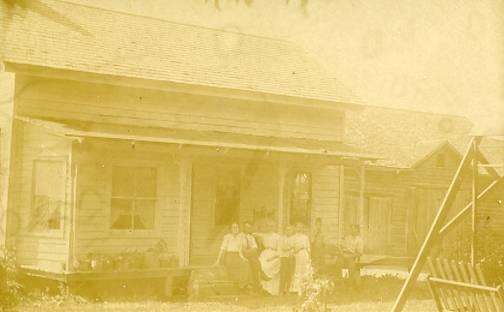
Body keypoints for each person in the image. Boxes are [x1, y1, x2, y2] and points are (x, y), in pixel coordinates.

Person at [214, 222, 252, 292]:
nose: (235, 229)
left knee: (246, 264)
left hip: (237, 255)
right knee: (234, 266)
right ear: (231, 229)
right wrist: (218, 261)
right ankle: (240, 284)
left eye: (237, 227)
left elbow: (240, 250)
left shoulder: (240, 237)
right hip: (229, 256)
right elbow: (222, 249)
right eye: (233, 227)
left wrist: (243, 258)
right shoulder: (227, 237)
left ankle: (244, 284)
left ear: (238, 229)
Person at [242, 220, 269, 292]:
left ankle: (257, 285)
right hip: (243, 253)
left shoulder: (251, 237)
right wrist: (252, 250)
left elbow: (255, 247)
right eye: (246, 227)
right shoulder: (241, 235)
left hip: (251, 254)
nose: (248, 229)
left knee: (254, 263)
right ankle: (262, 274)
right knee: (255, 259)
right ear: (244, 228)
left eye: (249, 228)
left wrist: (253, 250)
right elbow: (243, 248)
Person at [257, 220, 281, 295]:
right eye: (268, 226)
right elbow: (255, 234)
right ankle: (262, 288)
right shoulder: (264, 235)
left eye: (271, 226)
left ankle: (270, 289)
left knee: (269, 266)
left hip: (274, 254)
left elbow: (280, 250)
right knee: (260, 266)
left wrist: (272, 257)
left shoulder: (278, 236)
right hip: (265, 253)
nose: (269, 227)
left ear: (274, 227)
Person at [290, 222, 312, 294]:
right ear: (295, 228)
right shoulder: (293, 237)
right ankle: (296, 288)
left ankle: (305, 288)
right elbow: (291, 247)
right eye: (298, 227)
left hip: (304, 254)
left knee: (305, 270)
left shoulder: (305, 237)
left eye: (301, 227)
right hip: (297, 254)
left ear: (302, 228)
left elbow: (308, 248)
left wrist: (309, 257)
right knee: (297, 270)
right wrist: (294, 252)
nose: (299, 228)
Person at [279, 224, 296, 296]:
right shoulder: (282, 238)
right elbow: (283, 247)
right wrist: (290, 247)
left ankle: (287, 290)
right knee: (283, 273)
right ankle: (281, 291)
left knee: (289, 274)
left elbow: (296, 247)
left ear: (292, 231)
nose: (288, 231)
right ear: (285, 231)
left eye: (290, 230)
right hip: (284, 257)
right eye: (287, 230)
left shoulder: (294, 238)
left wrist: (291, 247)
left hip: (291, 258)